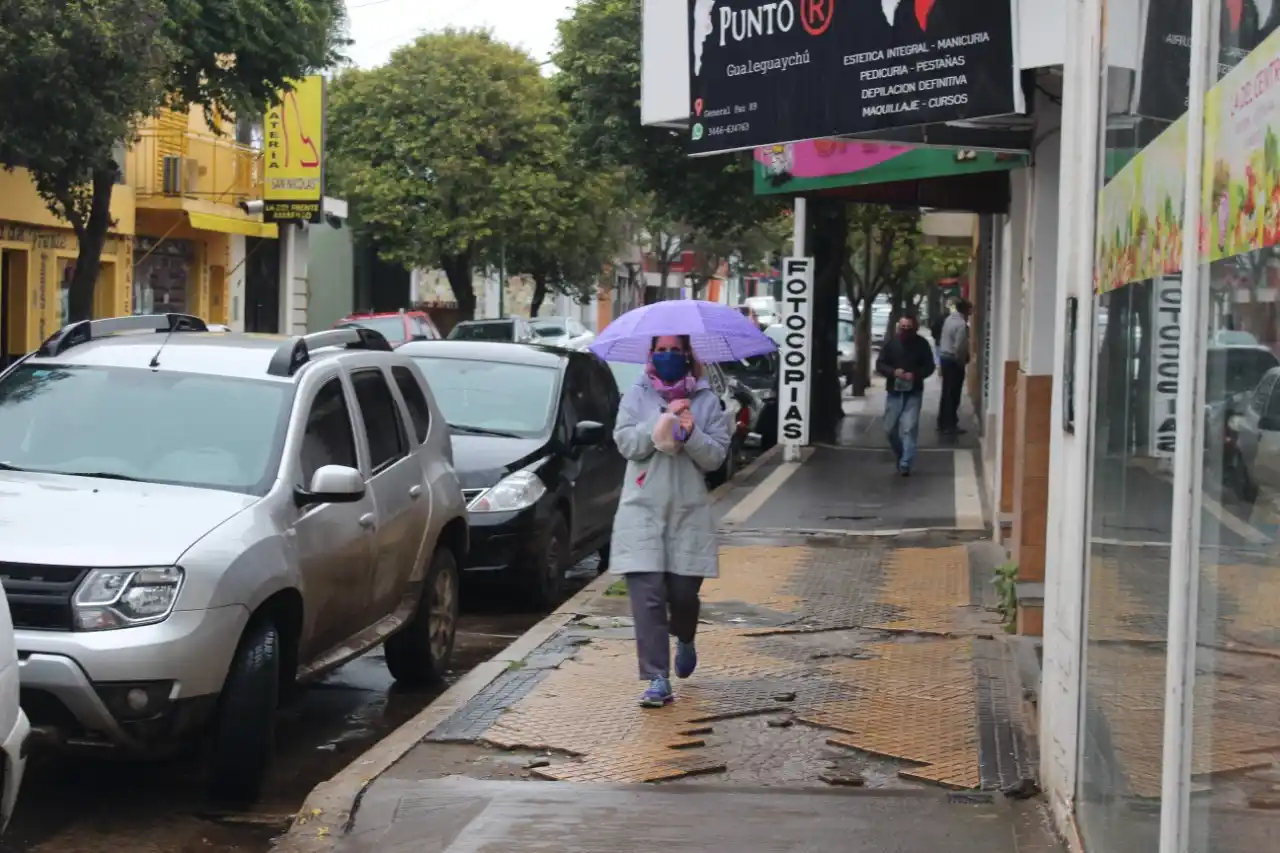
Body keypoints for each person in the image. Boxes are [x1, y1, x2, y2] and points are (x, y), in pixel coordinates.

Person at [609, 335, 732, 707]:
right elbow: (627, 444)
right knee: (646, 597)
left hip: (686, 511)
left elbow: (716, 458)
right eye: (659, 351)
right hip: (641, 508)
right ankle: (657, 678)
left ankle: (687, 636)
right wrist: (659, 423)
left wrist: (691, 432)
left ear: (687, 355)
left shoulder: (708, 401)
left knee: (681, 596)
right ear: (650, 356)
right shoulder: (635, 396)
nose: (666, 357)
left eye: (674, 351)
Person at [875, 314, 935, 476]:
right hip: (894, 393)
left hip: (913, 392)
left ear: (915, 328)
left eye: (909, 327)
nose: (906, 330)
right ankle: (901, 453)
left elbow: (930, 366)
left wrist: (915, 375)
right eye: (903, 327)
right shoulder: (890, 344)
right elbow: (880, 364)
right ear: (898, 327)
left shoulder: (922, 345)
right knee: (889, 429)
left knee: (909, 428)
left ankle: (905, 463)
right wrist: (893, 372)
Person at [937, 298, 972, 435]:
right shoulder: (961, 324)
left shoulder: (949, 319)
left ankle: (942, 422)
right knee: (954, 393)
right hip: (954, 361)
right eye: (969, 310)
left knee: (946, 392)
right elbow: (959, 347)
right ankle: (950, 424)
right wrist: (963, 360)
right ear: (965, 310)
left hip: (945, 358)